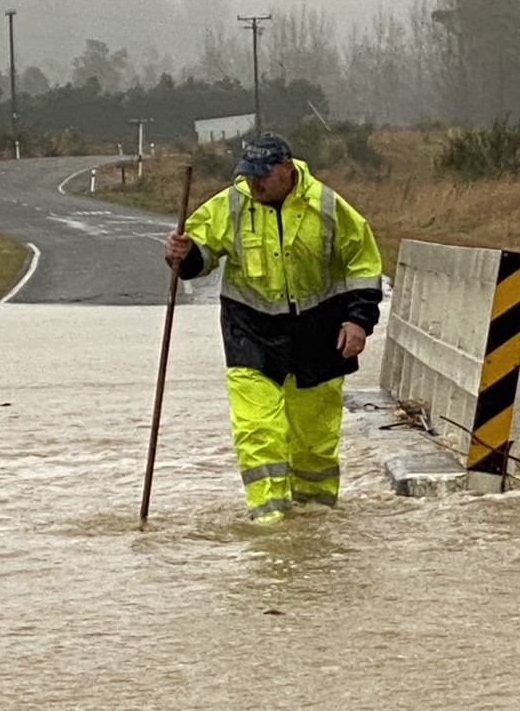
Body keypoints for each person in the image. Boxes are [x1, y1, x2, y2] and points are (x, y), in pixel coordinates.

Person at [164, 134, 383, 523]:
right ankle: (269, 525)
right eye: (248, 176)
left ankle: (316, 521)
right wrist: (184, 255)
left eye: (262, 176)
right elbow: (200, 254)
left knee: (314, 443)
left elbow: (363, 264)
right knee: (257, 431)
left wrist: (358, 322)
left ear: (286, 169)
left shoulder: (328, 207)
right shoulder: (231, 205)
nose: (255, 184)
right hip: (251, 335)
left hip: (319, 336)